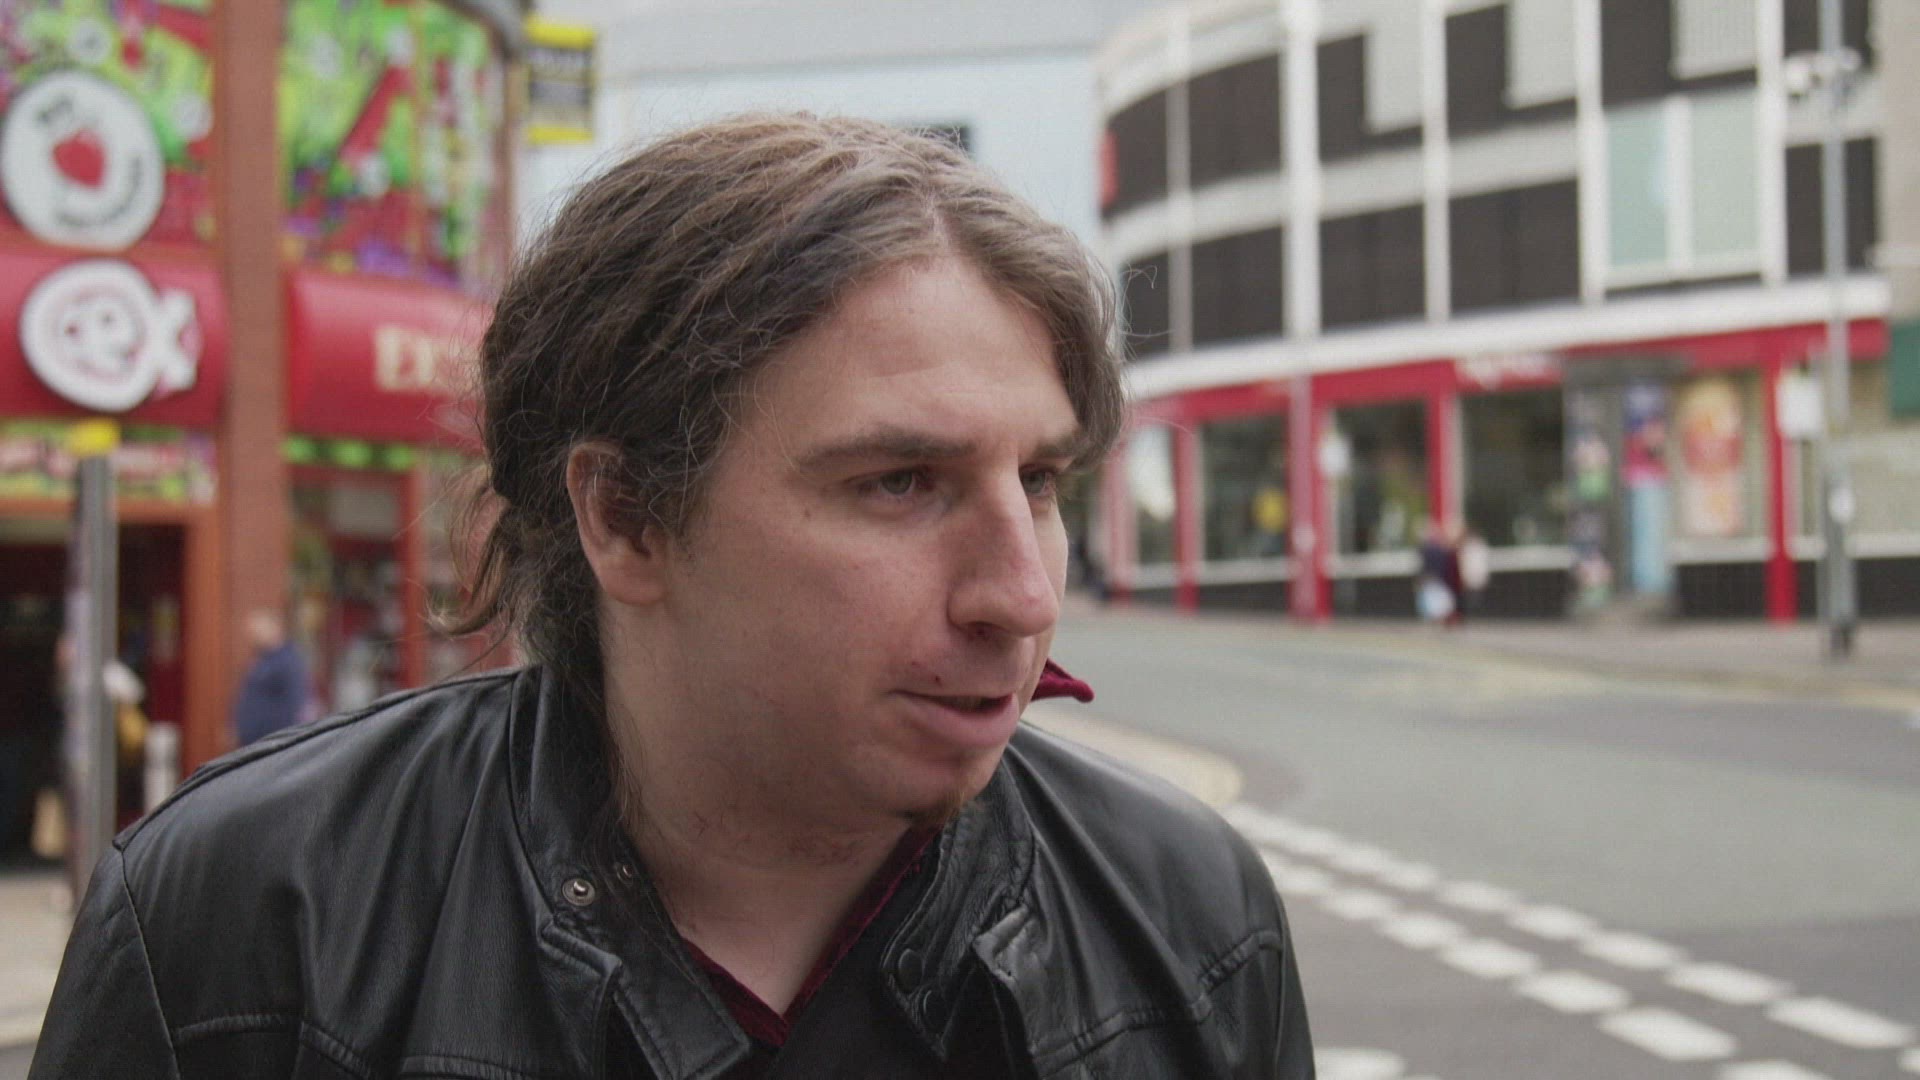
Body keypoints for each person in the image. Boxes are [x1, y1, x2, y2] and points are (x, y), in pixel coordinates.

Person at [33, 114, 1313, 1078]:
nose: (1022, 596)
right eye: (900, 483)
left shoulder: (1184, 909)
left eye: (1037, 480)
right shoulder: (258, 915)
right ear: (624, 516)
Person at [229, 608, 310, 746]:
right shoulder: (262, 659)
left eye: (258, 631)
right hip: (253, 742)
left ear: (274, 628)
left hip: (272, 742)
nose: (253, 637)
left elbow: (296, 702)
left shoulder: (287, 661)